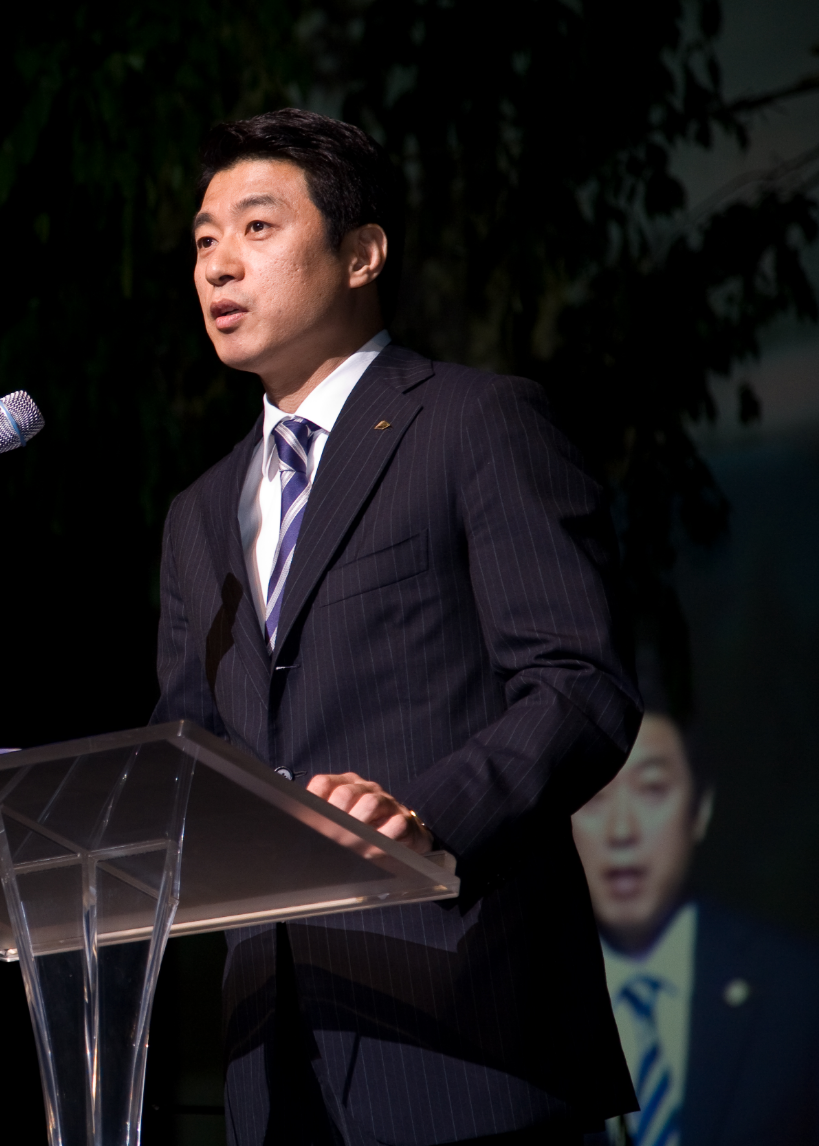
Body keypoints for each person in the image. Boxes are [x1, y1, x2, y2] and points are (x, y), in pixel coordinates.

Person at [150, 108, 642, 1145]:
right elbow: (186, 758)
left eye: (256, 227)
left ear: (362, 253)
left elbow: (578, 684)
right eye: (202, 240)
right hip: (271, 1065)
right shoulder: (198, 513)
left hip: (465, 1031)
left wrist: (426, 817)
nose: (217, 265)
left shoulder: (473, 422)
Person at [573, 712, 818, 1146]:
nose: (622, 830)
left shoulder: (798, 992)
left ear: (700, 808)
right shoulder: (516, 1010)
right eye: (592, 795)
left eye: (652, 789)